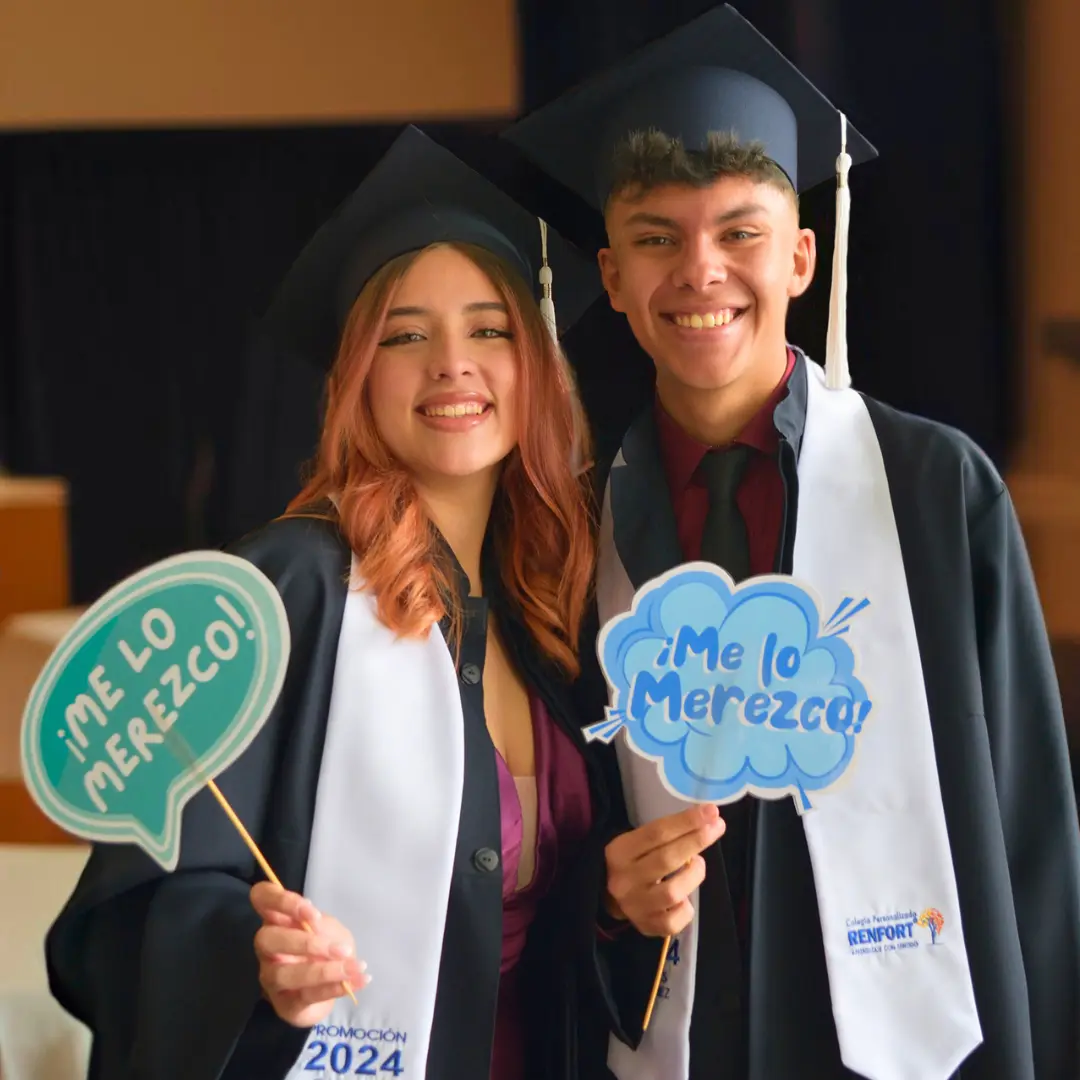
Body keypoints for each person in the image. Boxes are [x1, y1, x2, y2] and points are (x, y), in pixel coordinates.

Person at [503, 6, 1080, 1079]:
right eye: (656, 239)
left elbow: (1032, 831)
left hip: (918, 1032)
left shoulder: (933, 490)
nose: (700, 272)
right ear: (613, 276)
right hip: (688, 1034)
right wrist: (608, 905)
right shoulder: (568, 530)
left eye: (740, 232)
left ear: (803, 256)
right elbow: (546, 834)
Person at [44, 125, 617, 1080]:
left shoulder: (549, 603)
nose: (452, 364)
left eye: (489, 328)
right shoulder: (287, 590)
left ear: (537, 365)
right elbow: (139, 901)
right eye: (405, 335)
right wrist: (250, 960)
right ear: (358, 377)